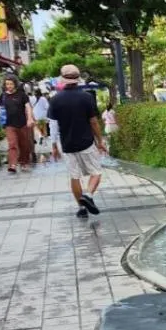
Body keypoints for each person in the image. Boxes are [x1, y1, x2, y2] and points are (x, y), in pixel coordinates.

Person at [47, 64, 108, 219]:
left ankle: (81, 208)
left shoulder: (55, 100)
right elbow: (94, 122)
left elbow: (53, 125)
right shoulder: (87, 97)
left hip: (67, 144)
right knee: (96, 172)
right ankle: (88, 195)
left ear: (62, 79)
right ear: (77, 79)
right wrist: (100, 141)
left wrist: (53, 145)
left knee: (75, 177)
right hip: (86, 142)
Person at [0, 75, 34, 173]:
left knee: (24, 145)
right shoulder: (3, 96)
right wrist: (2, 123)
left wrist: (30, 119)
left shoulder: (22, 95)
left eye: (11, 84)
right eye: (7, 84)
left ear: (15, 84)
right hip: (9, 125)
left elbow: (28, 107)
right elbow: (1, 110)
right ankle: (13, 165)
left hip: (22, 123)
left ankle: (24, 163)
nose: (9, 86)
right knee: (12, 144)